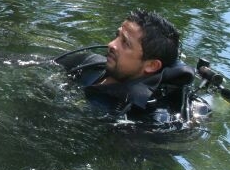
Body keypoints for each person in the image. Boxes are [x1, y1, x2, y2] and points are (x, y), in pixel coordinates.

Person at [55, 9, 210, 126]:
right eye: (117, 36)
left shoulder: (147, 118)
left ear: (151, 65)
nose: (111, 44)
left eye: (125, 43)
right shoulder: (87, 63)